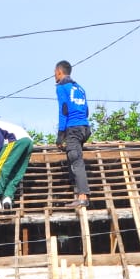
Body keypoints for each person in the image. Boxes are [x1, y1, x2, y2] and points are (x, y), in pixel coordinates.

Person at [54, 60, 91, 208]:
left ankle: (82, 197)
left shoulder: (61, 87)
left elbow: (63, 110)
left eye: (54, 73)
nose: (54, 76)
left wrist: (60, 135)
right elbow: (87, 110)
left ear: (59, 72)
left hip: (73, 128)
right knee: (72, 159)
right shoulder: (80, 88)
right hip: (85, 128)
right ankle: (77, 193)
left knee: (75, 160)